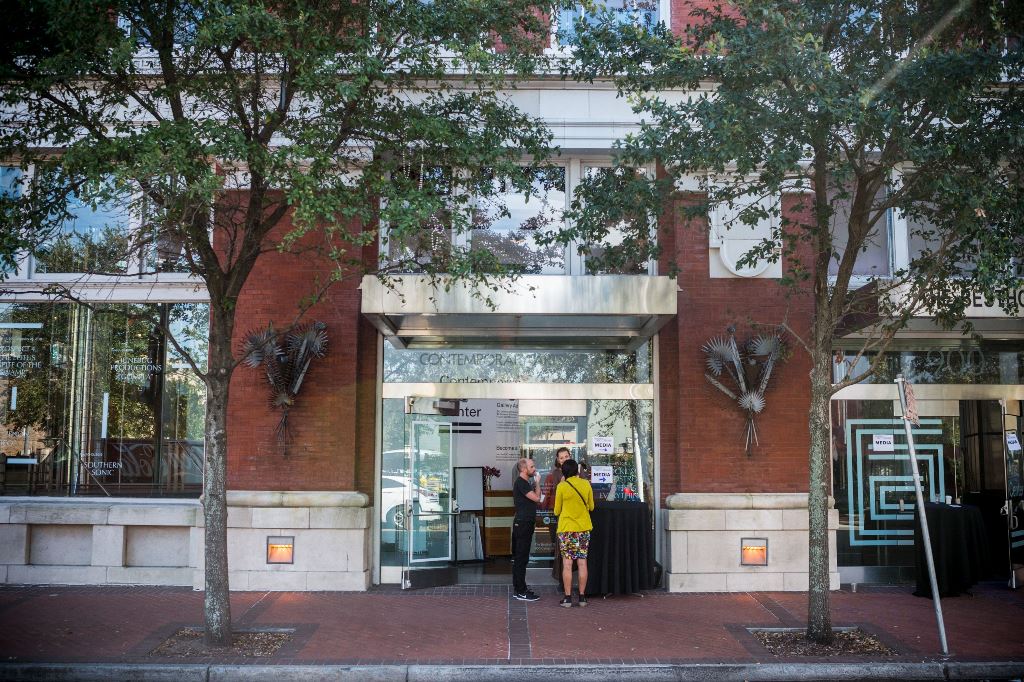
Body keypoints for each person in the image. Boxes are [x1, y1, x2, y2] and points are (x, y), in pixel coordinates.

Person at [553, 458, 594, 607]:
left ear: (563, 472)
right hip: (583, 528)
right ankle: (582, 598)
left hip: (567, 529)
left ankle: (568, 598)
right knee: (582, 563)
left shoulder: (562, 487)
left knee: (568, 564)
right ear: (577, 471)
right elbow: (591, 507)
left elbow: (557, 510)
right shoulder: (585, 484)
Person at [511, 457, 541, 602]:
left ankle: (520, 588)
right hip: (522, 524)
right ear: (524, 469)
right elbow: (537, 498)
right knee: (521, 558)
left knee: (522, 558)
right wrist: (538, 483)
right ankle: (520, 591)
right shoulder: (521, 483)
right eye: (532, 467)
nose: (534, 469)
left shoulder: (525, 483)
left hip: (525, 523)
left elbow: (536, 498)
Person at [540, 447, 572, 581]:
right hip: (557, 515)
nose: (564, 459)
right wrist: (543, 511)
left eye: (566, 456)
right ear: (557, 460)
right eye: (561, 457)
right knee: (559, 546)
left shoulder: (577, 473)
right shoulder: (552, 475)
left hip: (575, 516)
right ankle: (560, 576)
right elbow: (546, 495)